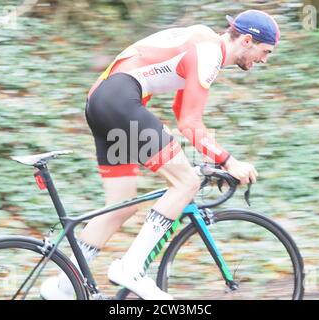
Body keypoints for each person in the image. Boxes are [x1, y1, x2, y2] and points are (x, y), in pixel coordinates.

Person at [40, 9, 280, 300]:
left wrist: (210, 154)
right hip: (120, 102)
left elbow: (181, 111)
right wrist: (229, 161)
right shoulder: (209, 53)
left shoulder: (203, 43)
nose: (264, 59)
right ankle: (131, 269)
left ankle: (64, 288)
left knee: (121, 206)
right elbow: (189, 123)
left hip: (102, 101)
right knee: (186, 183)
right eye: (265, 51)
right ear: (246, 40)